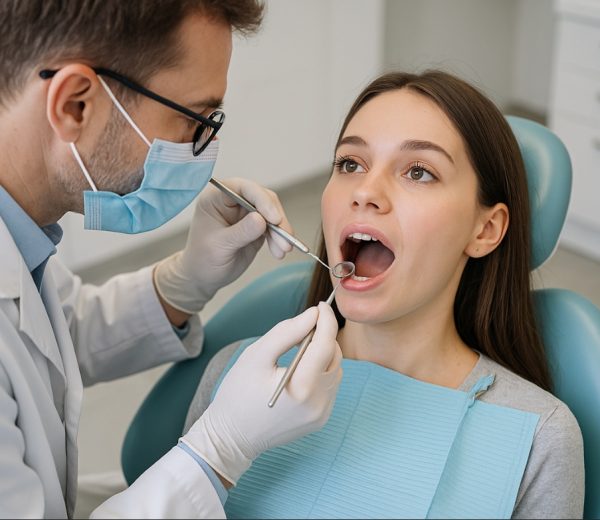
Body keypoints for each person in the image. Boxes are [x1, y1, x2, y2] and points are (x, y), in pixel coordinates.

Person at [185, 70, 585, 519]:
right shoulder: (238, 378)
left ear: (485, 229)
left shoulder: (538, 438)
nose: (366, 192)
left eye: (419, 172)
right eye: (350, 164)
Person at [0, 1, 343, 518]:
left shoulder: (23, 230)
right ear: (75, 105)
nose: (203, 148)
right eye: (194, 119)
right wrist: (218, 452)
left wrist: (179, 285)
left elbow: (49, 332)